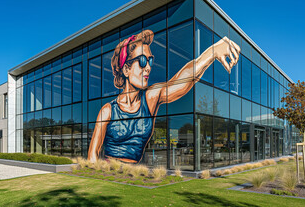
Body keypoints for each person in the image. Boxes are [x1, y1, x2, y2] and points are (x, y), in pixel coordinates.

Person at [88, 29, 241, 163]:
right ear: (126, 69)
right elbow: (93, 155)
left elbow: (180, 81)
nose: (148, 67)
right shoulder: (108, 110)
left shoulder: (149, 98)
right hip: (110, 172)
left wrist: (211, 53)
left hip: (136, 174)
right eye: (142, 61)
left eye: (150, 61)